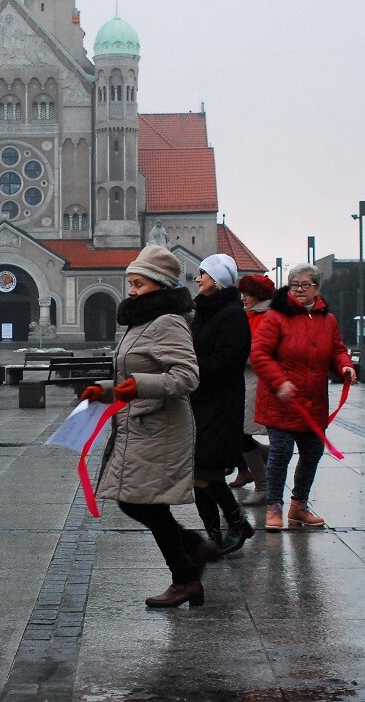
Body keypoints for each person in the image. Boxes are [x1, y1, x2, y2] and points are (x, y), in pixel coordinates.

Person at [82, 245, 208, 608]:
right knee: (138, 504)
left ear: (160, 285)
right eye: (130, 283)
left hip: (160, 428)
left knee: (142, 504)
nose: (131, 291)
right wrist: (104, 391)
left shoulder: (167, 321)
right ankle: (191, 556)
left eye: (138, 284)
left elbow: (186, 377)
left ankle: (186, 576)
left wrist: (139, 385)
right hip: (139, 425)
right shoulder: (143, 322)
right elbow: (132, 377)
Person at [250, 263, 356, 532]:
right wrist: (279, 382)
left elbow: (337, 350)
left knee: (312, 452)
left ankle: (299, 506)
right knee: (281, 451)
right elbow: (259, 354)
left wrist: (345, 365)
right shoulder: (275, 317)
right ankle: (274, 506)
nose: (298, 289)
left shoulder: (327, 320)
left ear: (317, 289)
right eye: (294, 284)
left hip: (313, 402)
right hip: (281, 401)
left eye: (305, 285)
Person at [188, 254, 255, 556]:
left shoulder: (231, 313)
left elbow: (228, 361)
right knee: (197, 471)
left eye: (202, 274)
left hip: (221, 401)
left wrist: (190, 367)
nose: (197, 279)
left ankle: (236, 521)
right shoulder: (204, 311)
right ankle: (214, 535)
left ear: (216, 279)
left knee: (205, 471)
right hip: (200, 399)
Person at [229, 273, 275, 505]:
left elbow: (257, 353)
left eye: (248, 294)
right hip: (246, 383)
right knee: (240, 433)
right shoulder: (251, 315)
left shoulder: (264, 317)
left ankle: (263, 484)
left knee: (242, 434)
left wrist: (235, 354)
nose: (243, 298)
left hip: (256, 384)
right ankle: (266, 460)